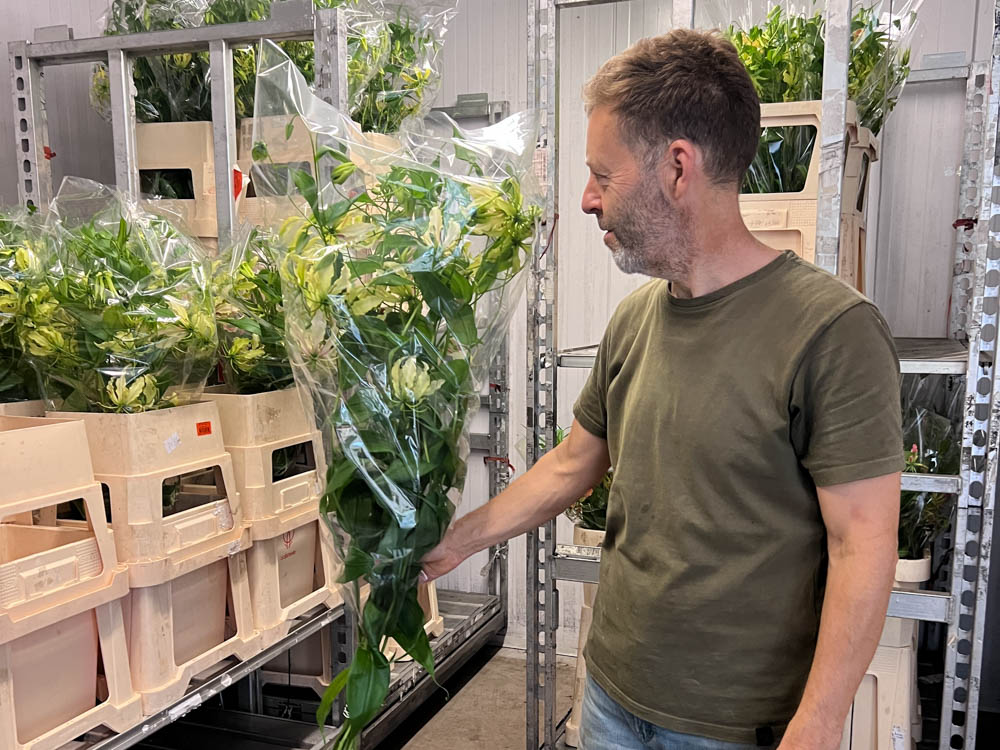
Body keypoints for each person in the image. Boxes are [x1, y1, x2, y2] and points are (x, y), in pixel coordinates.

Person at [421, 29, 902, 750]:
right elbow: (572, 465)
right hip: (613, 695)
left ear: (678, 167)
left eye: (602, 175)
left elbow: (862, 542)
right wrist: (455, 543)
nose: (587, 200)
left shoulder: (832, 331)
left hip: (731, 725)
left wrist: (820, 721)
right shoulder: (636, 320)